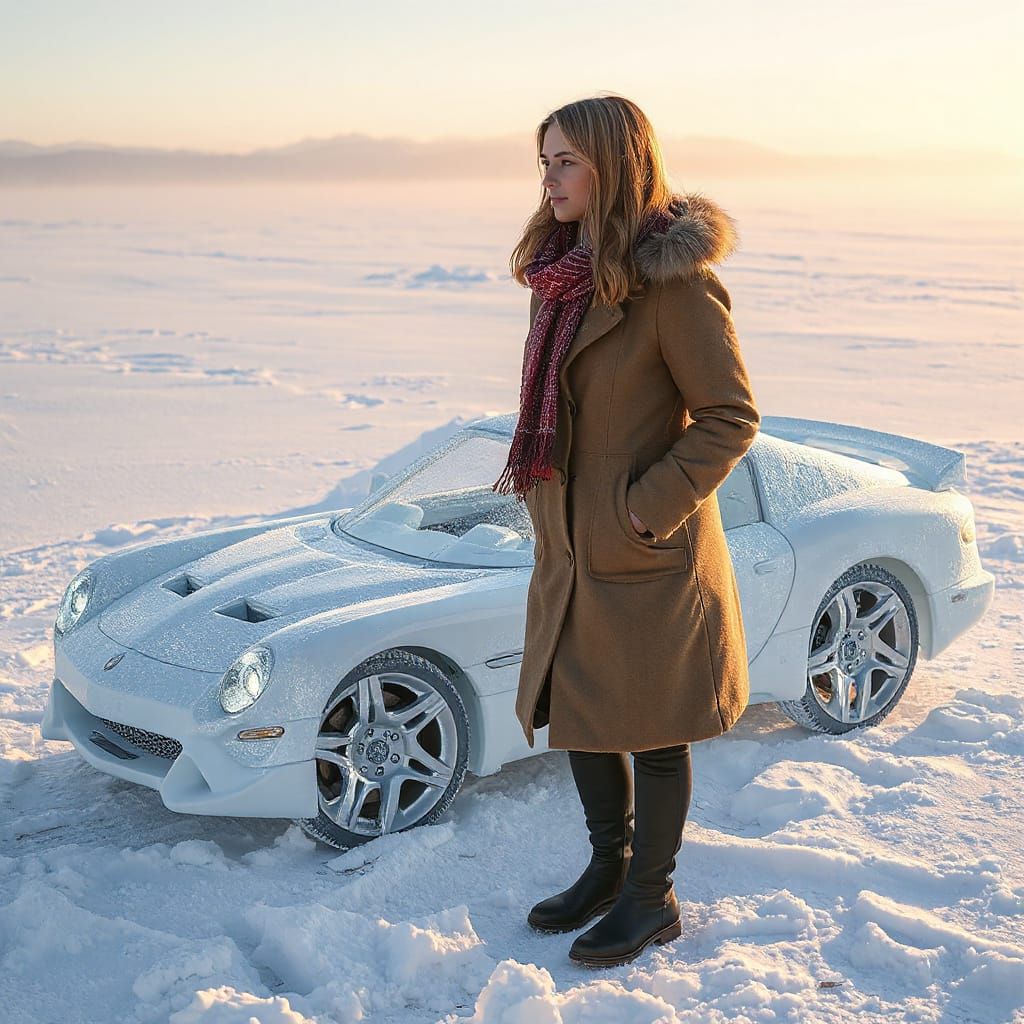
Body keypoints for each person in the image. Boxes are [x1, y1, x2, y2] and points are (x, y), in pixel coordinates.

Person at [492, 94, 761, 969]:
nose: (549, 177)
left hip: (642, 543)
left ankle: (653, 898)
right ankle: (606, 869)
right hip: (568, 538)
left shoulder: (674, 283)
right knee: (582, 710)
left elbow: (729, 415)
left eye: (566, 161)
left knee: (651, 726)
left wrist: (647, 505)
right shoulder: (562, 273)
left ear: (614, 163)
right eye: (544, 161)